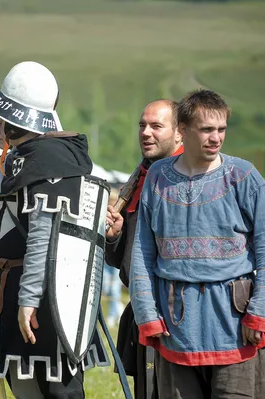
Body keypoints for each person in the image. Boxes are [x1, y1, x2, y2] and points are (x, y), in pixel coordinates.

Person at [0, 61, 106, 398]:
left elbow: (41, 237)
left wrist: (29, 299)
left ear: (16, 123)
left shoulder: (51, 162)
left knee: (57, 391)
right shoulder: (18, 163)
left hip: (46, 298)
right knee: (24, 388)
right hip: (13, 291)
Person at [129, 89, 265, 398]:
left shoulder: (243, 176)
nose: (216, 137)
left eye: (221, 129)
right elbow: (143, 251)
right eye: (207, 129)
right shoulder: (158, 176)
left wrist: (261, 311)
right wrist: (147, 313)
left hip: (235, 326)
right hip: (177, 326)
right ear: (183, 130)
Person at [105, 99, 183, 399]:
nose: (146, 133)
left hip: (175, 313)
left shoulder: (187, 176)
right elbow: (121, 260)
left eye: (156, 126)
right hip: (141, 310)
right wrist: (115, 236)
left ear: (179, 132)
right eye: (142, 125)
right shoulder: (139, 177)